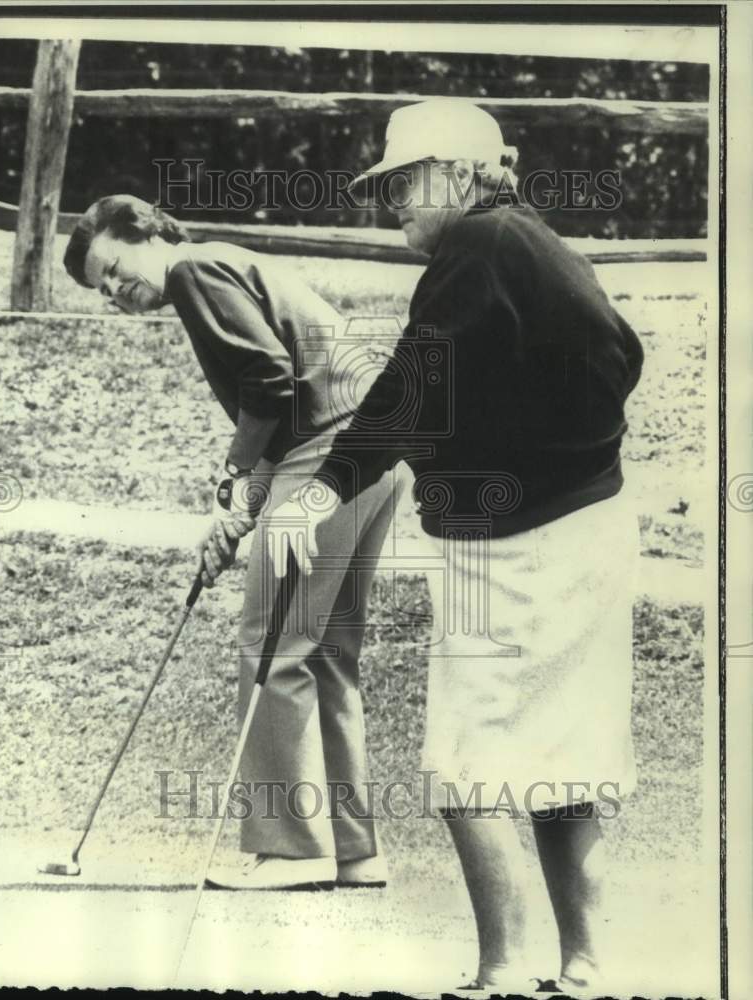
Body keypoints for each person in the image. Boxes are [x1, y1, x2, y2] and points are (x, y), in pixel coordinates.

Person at [268, 99, 644, 993]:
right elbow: (618, 357)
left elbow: (411, 388)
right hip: (585, 528)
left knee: (465, 760)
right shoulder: (528, 244)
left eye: (407, 179)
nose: (391, 197)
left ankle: (500, 971)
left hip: (518, 548)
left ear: (465, 174)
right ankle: (585, 966)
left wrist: (318, 490)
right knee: (565, 759)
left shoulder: (478, 246)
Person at [63, 195, 405, 890]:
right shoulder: (222, 266)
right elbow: (279, 398)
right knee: (326, 654)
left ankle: (292, 850)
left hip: (330, 450)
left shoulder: (192, 271)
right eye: (104, 290)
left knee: (273, 648)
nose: (117, 292)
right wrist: (242, 505)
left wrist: (233, 477)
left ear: (149, 233)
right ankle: (351, 850)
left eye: (117, 269)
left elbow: (271, 381)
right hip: (374, 452)